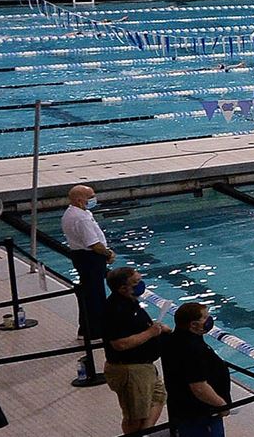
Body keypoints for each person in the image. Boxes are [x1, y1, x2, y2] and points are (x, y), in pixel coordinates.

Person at [103, 266, 169, 435]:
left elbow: (137, 328)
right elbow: (119, 344)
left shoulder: (131, 302)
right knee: (135, 416)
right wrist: (150, 332)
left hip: (144, 366)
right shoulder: (115, 309)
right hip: (130, 369)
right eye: (136, 282)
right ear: (122, 288)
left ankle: (144, 433)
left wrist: (157, 329)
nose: (141, 284)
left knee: (158, 397)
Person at [162, 303, 231, 437]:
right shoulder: (192, 348)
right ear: (193, 325)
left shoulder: (174, 339)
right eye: (204, 317)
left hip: (182, 409)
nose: (209, 319)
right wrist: (222, 405)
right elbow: (199, 387)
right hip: (200, 414)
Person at [62, 185, 114, 340]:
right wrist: (108, 253)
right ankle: (94, 331)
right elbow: (93, 244)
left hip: (81, 256)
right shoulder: (81, 218)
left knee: (89, 293)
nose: (94, 199)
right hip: (90, 258)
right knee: (95, 295)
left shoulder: (73, 212)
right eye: (90, 197)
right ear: (79, 200)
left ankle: (85, 329)